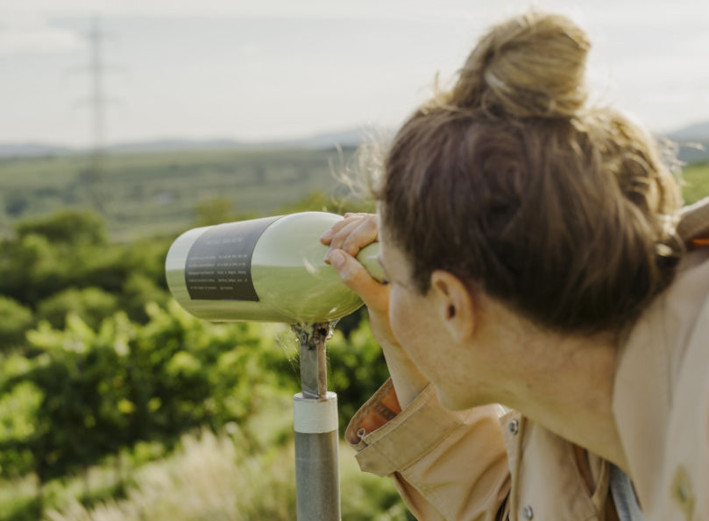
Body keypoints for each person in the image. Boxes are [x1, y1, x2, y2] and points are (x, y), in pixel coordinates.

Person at [320, 11, 709, 521]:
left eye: (391, 274)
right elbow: (511, 506)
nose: (388, 297)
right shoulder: (575, 409)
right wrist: (403, 339)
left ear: (454, 305)